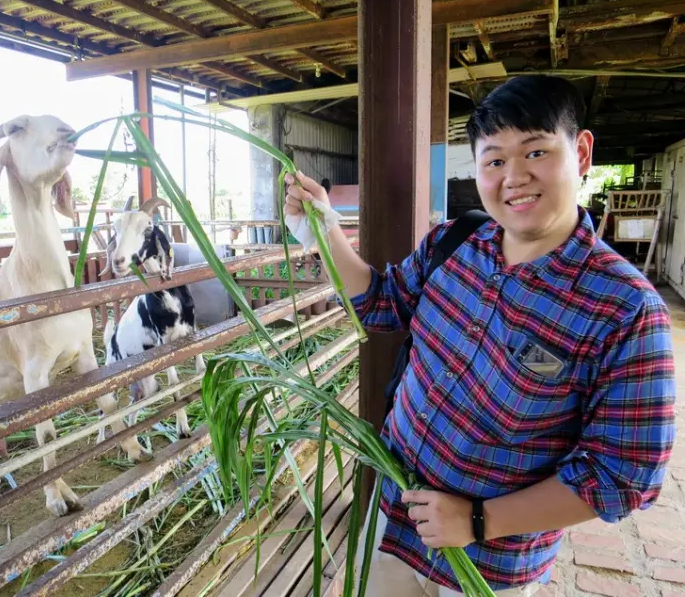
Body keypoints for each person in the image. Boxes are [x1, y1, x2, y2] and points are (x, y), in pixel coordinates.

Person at [283, 75, 676, 596]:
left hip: (491, 565)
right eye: (494, 160)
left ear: (580, 153)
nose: (514, 176)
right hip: (393, 519)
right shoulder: (456, 241)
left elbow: (624, 475)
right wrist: (323, 228)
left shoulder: (625, 308)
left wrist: (477, 520)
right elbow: (382, 304)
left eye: (535, 151)